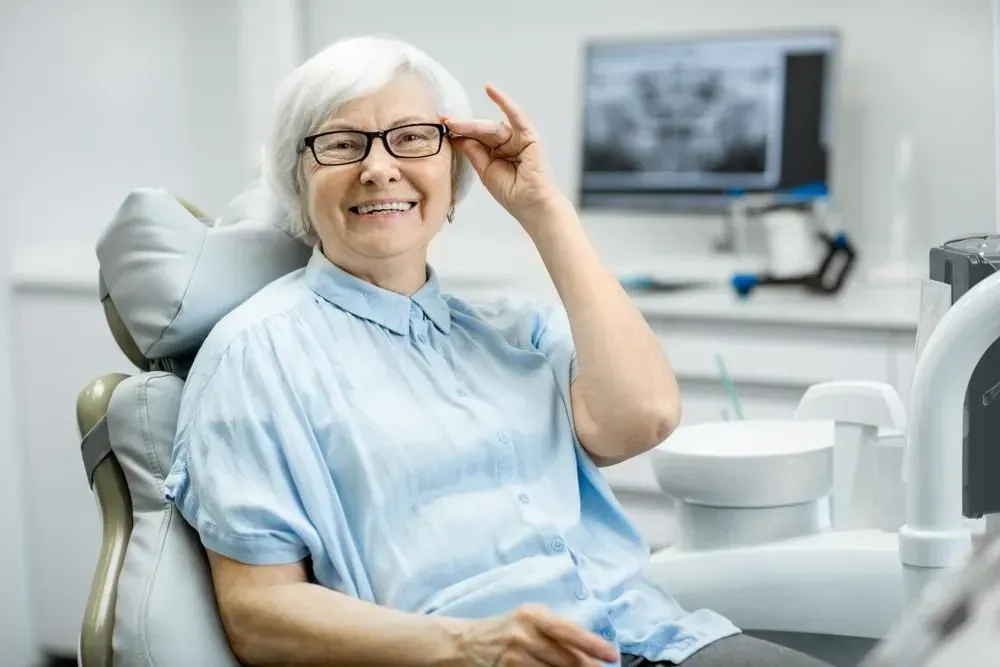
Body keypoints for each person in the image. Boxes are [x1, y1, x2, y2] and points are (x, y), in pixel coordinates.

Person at [163, 35, 831, 667]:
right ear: (297, 181)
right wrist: (466, 644)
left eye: (412, 138)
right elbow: (258, 609)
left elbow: (645, 415)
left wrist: (546, 210)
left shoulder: (515, 331)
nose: (378, 167)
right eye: (340, 144)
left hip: (656, 637)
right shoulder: (255, 355)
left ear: (453, 174)